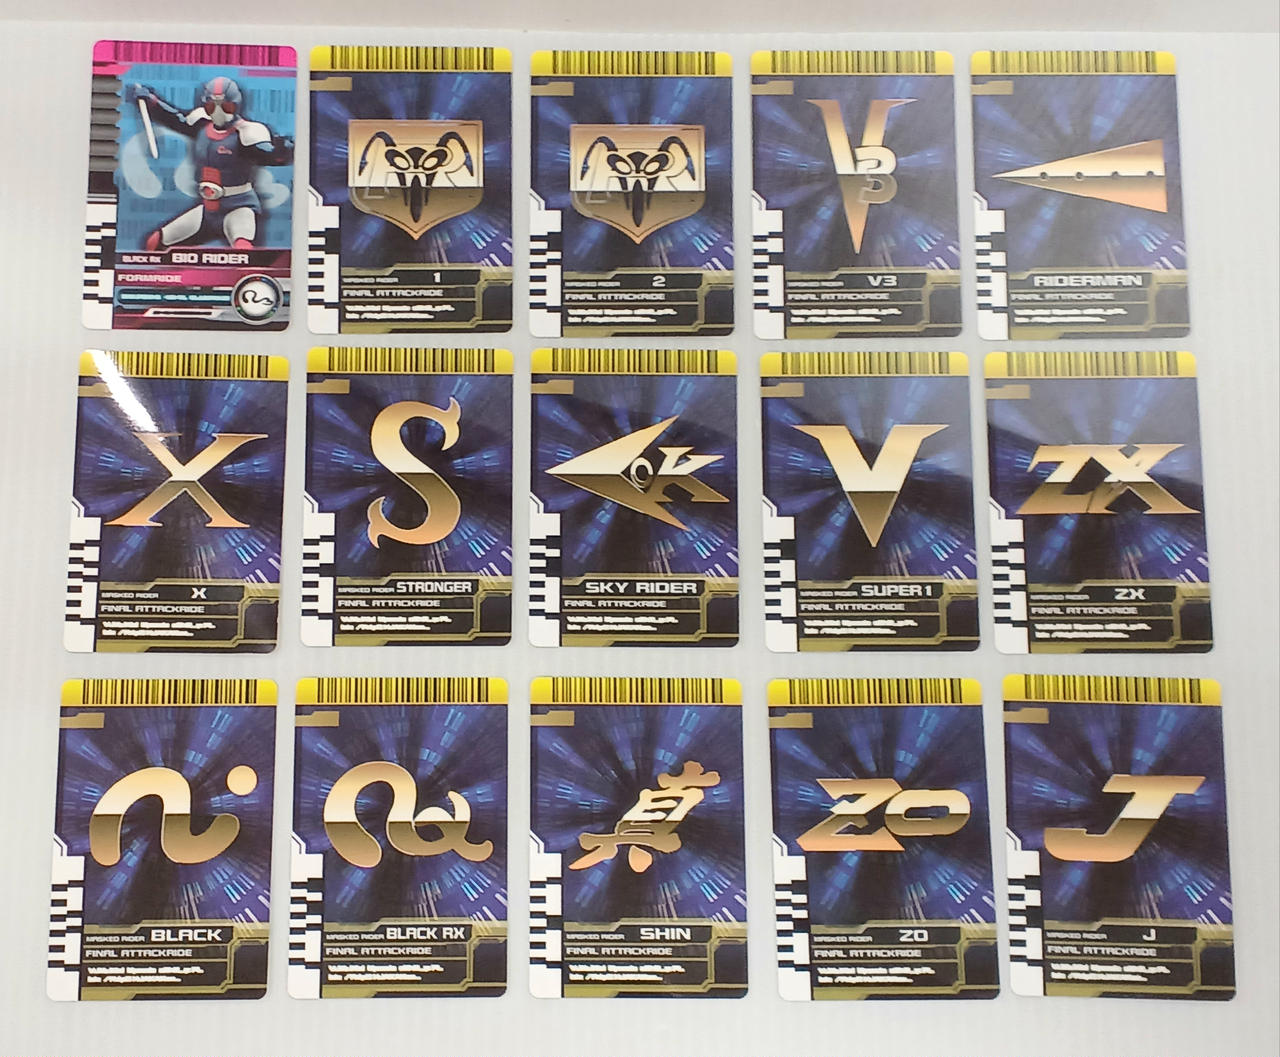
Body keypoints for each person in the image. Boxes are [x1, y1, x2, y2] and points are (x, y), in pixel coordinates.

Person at [124, 76, 293, 250]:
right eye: (212, 106)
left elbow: (267, 155)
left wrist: (282, 151)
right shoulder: (201, 124)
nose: (219, 112)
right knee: (155, 243)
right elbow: (175, 119)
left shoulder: (247, 132)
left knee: (243, 250)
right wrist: (152, 101)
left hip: (238, 206)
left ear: (236, 105)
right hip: (208, 208)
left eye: (226, 107)